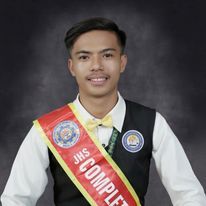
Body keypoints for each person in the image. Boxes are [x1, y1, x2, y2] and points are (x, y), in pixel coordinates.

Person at [1, 17, 206, 206]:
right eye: (84, 57)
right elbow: (15, 200)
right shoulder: (48, 129)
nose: (97, 66)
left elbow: (190, 195)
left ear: (122, 62)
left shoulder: (151, 123)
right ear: (72, 67)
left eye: (107, 55)